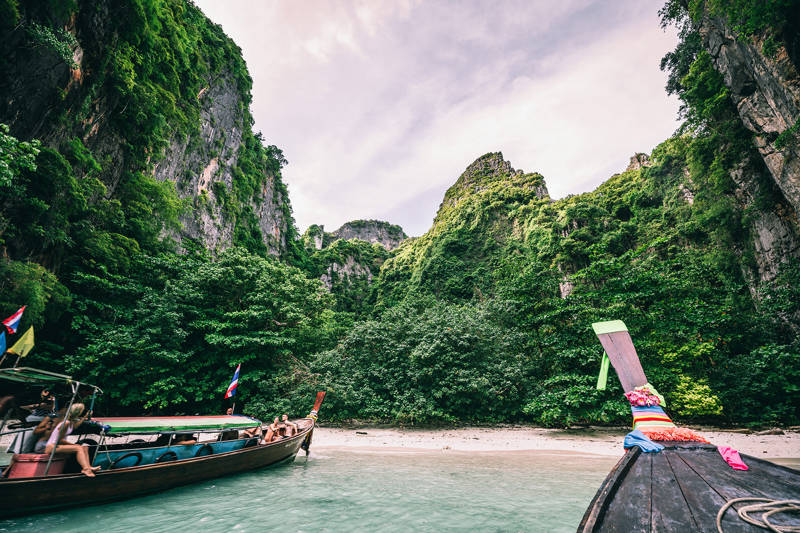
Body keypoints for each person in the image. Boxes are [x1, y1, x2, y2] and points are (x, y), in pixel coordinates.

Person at [44, 403, 100, 477]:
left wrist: (85, 417)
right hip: (51, 446)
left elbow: (76, 426)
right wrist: (73, 445)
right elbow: (59, 440)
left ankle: (88, 466)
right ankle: (85, 469)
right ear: (78, 412)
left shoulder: (70, 423)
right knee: (78, 448)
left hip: (57, 446)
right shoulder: (66, 423)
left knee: (85, 447)